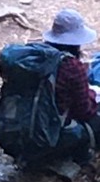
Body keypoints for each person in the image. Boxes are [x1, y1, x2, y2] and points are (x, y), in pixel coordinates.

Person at [43, 8, 100, 148]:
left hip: (36, 119)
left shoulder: (40, 55)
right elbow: (84, 111)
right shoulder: (72, 66)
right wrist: (93, 95)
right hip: (55, 128)